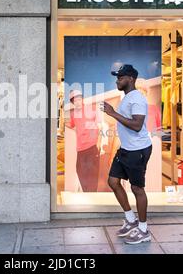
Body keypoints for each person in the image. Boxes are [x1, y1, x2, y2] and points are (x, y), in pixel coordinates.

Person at [100, 64, 153, 244]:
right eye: (117, 77)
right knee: (113, 182)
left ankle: (144, 230)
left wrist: (113, 113)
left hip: (138, 150)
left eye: (121, 77)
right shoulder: (127, 97)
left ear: (130, 79)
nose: (117, 80)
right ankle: (131, 220)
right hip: (126, 149)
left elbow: (137, 125)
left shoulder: (137, 98)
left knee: (137, 188)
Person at [66, 89, 102, 192]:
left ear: (82, 99)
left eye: (78, 99)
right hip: (80, 149)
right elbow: (71, 125)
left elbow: (100, 126)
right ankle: (87, 194)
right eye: (74, 100)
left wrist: (98, 143)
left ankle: (92, 197)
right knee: (80, 171)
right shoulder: (73, 114)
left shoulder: (92, 109)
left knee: (92, 176)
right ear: (73, 102)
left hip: (92, 147)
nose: (77, 102)